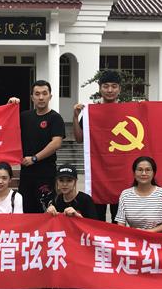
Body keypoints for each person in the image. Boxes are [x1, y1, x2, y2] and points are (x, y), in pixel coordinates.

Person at [8, 80, 65, 213]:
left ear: (50, 96)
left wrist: (35, 158)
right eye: (37, 94)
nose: (41, 97)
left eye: (44, 93)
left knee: (46, 211)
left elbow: (56, 143)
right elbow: (6, 125)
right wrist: (9, 106)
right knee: (26, 211)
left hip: (46, 174)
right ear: (32, 97)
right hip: (26, 174)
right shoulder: (24, 117)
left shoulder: (55, 118)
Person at [72, 70, 121, 222]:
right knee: (97, 218)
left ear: (119, 89)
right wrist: (75, 116)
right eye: (106, 86)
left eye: (114, 86)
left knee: (119, 218)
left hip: (120, 172)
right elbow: (79, 139)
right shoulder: (92, 113)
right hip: (98, 172)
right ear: (100, 88)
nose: (110, 90)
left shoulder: (126, 111)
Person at [115, 156, 162, 232]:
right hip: (135, 237)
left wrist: (147, 232)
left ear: (153, 173)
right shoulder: (125, 195)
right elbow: (121, 222)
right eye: (140, 170)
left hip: (158, 237)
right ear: (134, 173)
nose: (144, 173)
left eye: (148, 170)